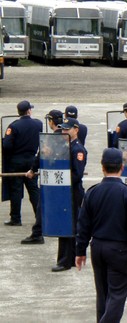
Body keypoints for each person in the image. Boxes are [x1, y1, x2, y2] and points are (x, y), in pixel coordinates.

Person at [75, 148, 127, 323]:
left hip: (97, 246)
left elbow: (83, 224)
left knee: (103, 294)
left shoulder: (92, 192)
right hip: (119, 249)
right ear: (122, 167)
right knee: (117, 294)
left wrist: (80, 250)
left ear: (102, 167)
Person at [28, 118, 85, 271]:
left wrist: (59, 179)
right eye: (63, 129)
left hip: (71, 192)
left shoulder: (77, 149)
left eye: (67, 129)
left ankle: (65, 261)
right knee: (69, 224)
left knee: (67, 225)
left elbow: (77, 174)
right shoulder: (65, 146)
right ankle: (70, 258)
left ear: (76, 129)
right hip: (64, 191)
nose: (64, 132)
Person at [2, 101, 43, 243]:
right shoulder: (38, 124)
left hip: (16, 161)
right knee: (33, 190)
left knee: (15, 190)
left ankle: (15, 218)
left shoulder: (13, 126)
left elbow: (6, 145)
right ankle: (40, 217)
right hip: (31, 160)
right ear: (29, 111)